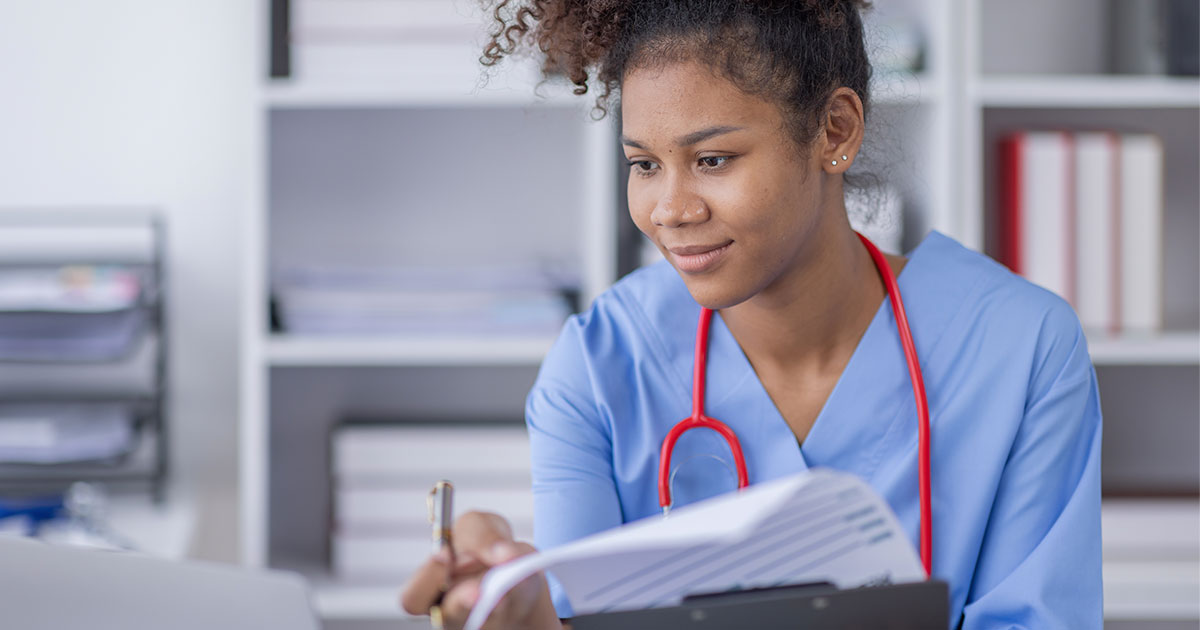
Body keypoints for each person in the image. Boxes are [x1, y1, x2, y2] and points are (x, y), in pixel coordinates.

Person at [401, 1, 1103, 628]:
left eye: (712, 159)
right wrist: (524, 620)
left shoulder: (1022, 348)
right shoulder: (599, 365)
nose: (671, 210)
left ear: (834, 130)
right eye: (644, 165)